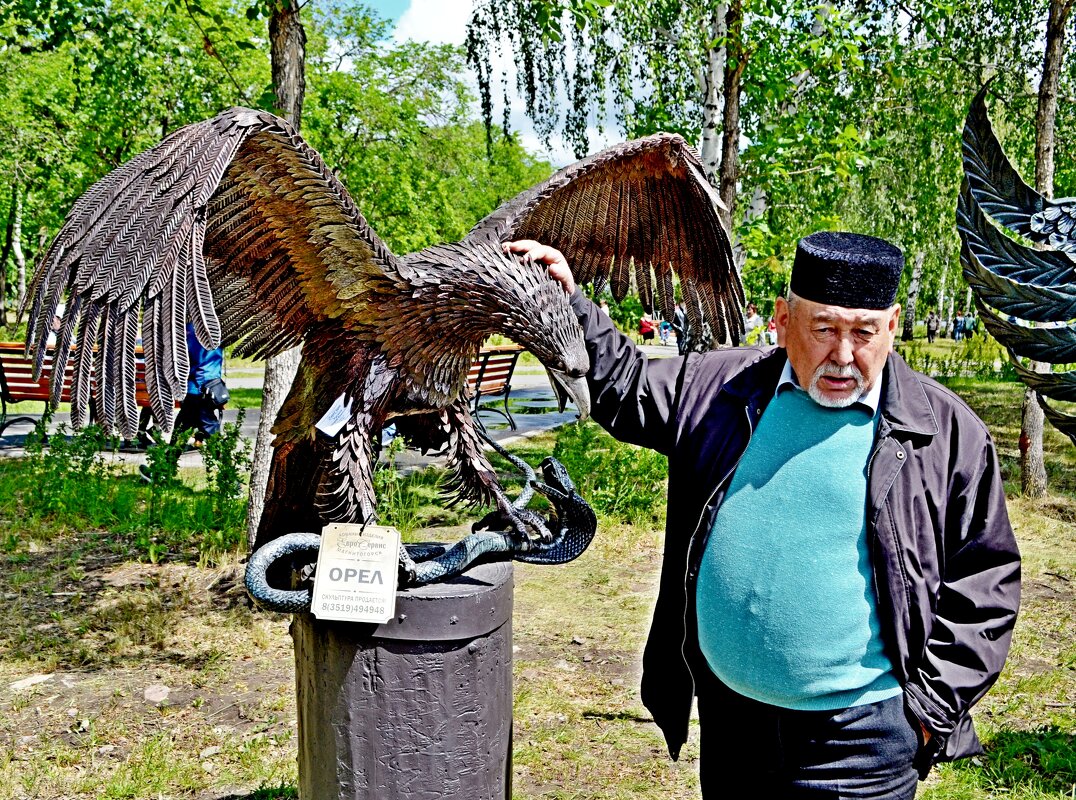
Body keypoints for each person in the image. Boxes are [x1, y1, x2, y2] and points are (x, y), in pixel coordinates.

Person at [505, 232, 1020, 799]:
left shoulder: (943, 432)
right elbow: (625, 387)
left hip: (860, 745)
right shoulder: (720, 389)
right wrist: (566, 300)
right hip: (732, 726)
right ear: (782, 319)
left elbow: (987, 581)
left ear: (892, 327)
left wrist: (926, 712)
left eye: (864, 334)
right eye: (824, 329)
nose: (844, 357)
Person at [174, 322, 228, 446]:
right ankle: (167, 461)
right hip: (212, 386)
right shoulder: (217, 328)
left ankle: (168, 462)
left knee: (187, 427)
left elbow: (188, 360)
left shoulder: (191, 330)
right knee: (189, 425)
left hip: (197, 388)